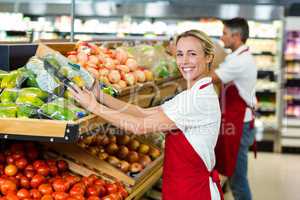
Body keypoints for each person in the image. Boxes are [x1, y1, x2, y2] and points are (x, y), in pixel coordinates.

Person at [69, 30, 224, 200]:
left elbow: (140, 126)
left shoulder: (196, 99)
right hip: (184, 185)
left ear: (208, 57)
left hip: (194, 191)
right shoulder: (195, 93)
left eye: (192, 54)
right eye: (180, 54)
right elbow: (144, 113)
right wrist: (101, 97)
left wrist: (93, 106)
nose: (184, 61)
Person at [211, 17, 257, 200]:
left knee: (238, 179)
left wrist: (184, 60)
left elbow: (212, 77)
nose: (221, 38)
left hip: (239, 124)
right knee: (232, 174)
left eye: (224, 33)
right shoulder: (237, 56)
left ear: (236, 36)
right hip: (236, 120)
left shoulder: (241, 61)